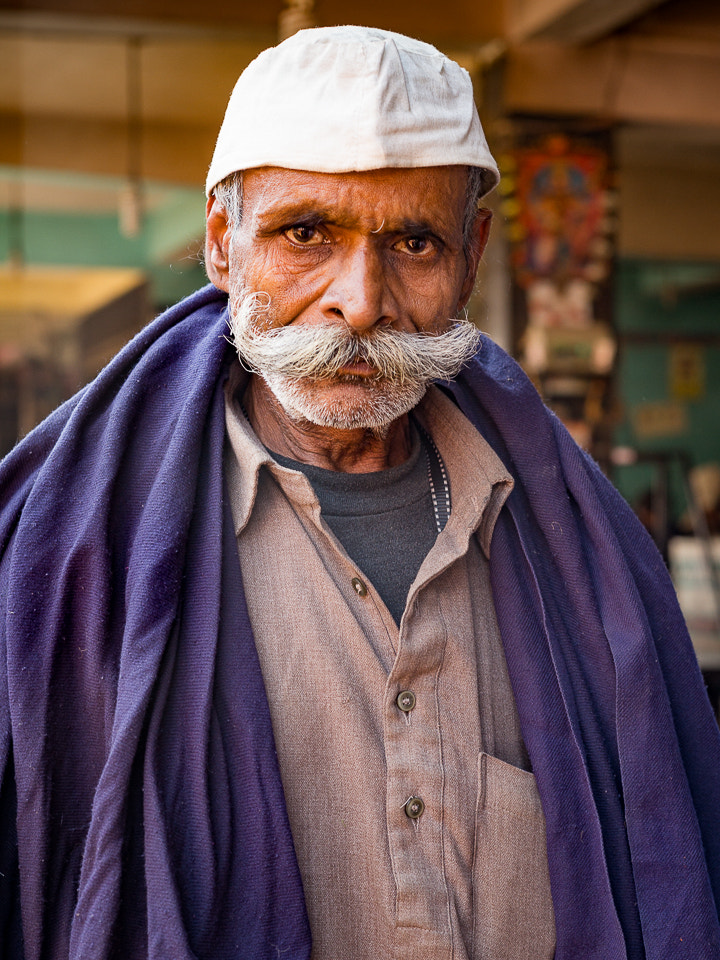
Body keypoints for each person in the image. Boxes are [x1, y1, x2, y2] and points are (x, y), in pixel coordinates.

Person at [0, 24, 718, 960]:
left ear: (473, 256)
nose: (362, 300)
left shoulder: (576, 545)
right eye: (307, 234)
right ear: (225, 246)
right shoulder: (73, 549)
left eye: (415, 242)